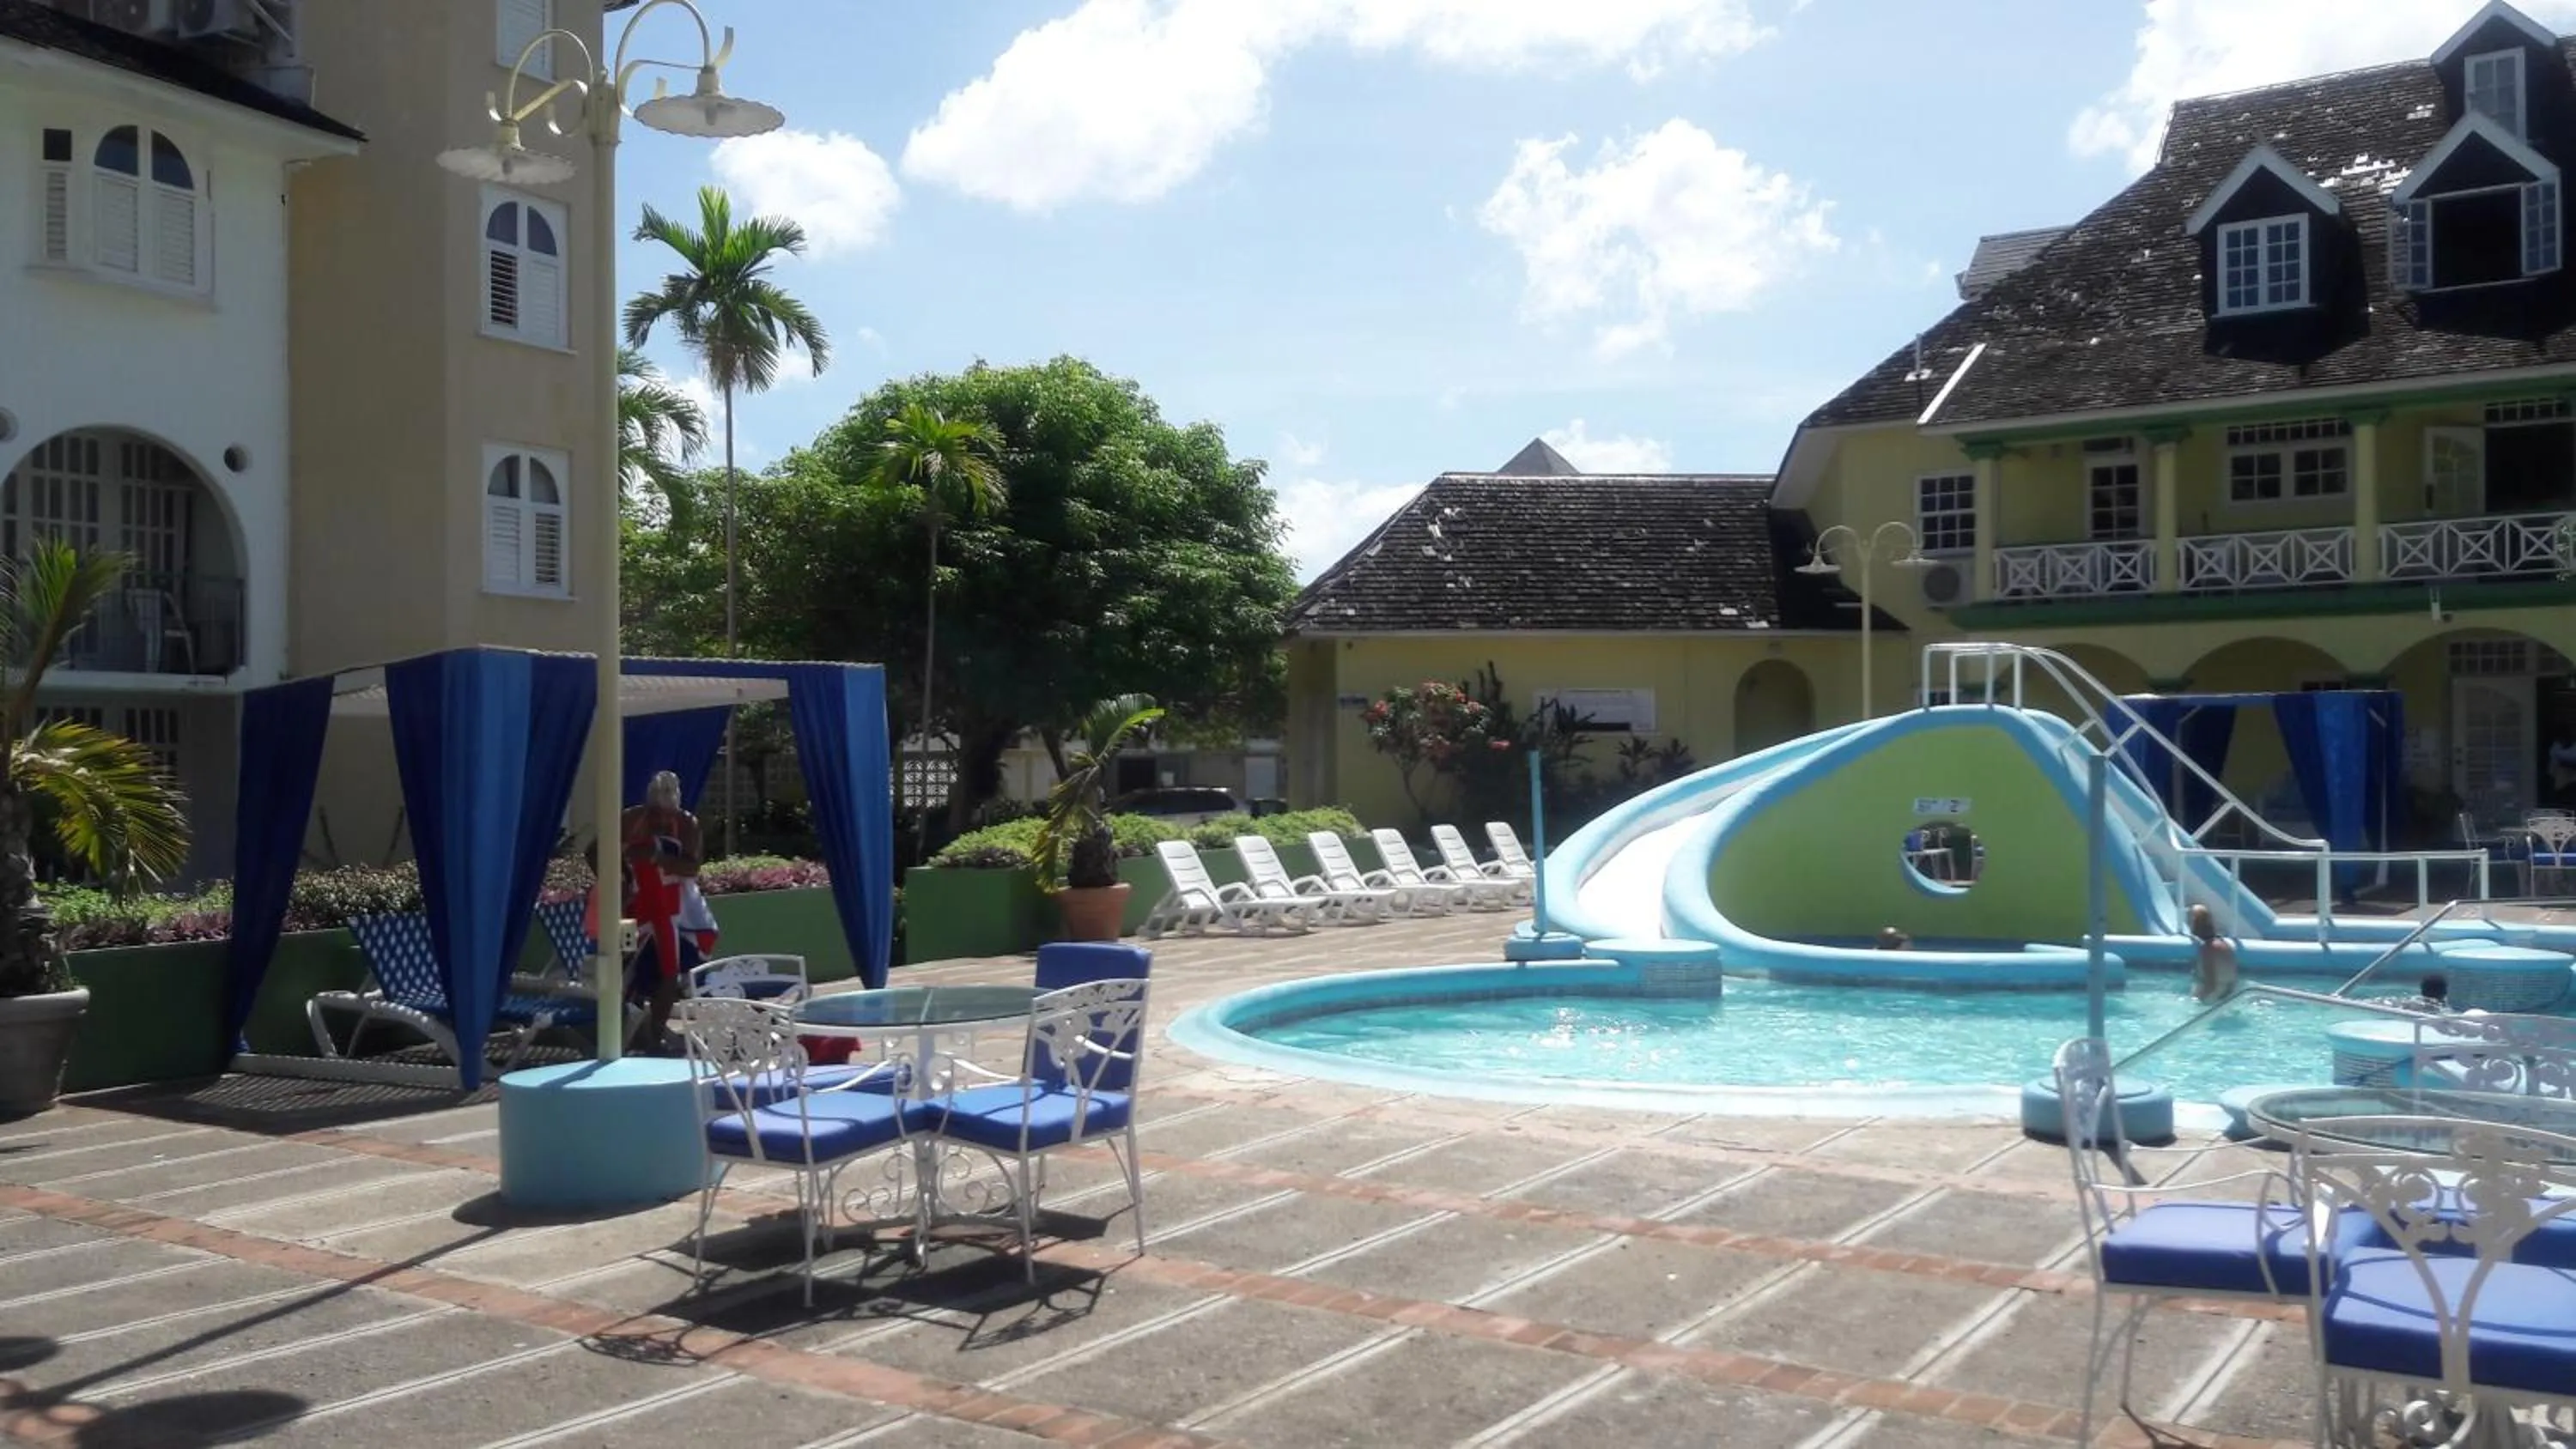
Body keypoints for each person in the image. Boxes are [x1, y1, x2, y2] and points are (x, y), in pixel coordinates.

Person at [622, 772, 714, 1050]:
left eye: (667, 813)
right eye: (656, 814)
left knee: (669, 971)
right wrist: (621, 876)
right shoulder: (630, 819)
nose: (662, 821)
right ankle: (632, 1029)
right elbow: (593, 853)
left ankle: (653, 1034)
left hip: (675, 909)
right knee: (629, 968)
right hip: (637, 906)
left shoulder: (687, 823)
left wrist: (658, 860)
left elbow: (692, 867)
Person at [2189, 904, 2237, 1003]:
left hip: (2213, 997)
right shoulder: (2225, 944)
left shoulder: (2208, 949)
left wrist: (2199, 1001)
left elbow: (2211, 985)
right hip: (2227, 994)